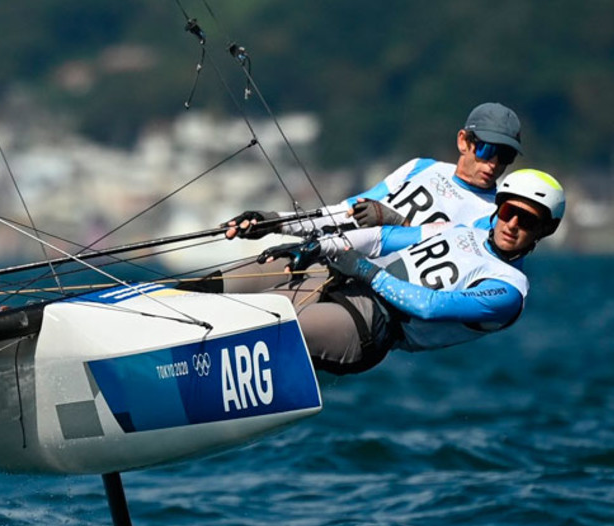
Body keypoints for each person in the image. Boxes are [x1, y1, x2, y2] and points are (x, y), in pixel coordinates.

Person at [248, 168, 565, 375]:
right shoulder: (460, 229)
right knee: (242, 304)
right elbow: (380, 238)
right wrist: (320, 246)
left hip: (372, 325)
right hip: (346, 284)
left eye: (527, 221)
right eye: (509, 212)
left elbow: (430, 307)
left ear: (544, 231)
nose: (512, 225)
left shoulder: (508, 290)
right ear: (498, 208)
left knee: (268, 325)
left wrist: (365, 271)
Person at [198, 102, 525, 294]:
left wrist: (397, 221)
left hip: (362, 287)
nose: (493, 163)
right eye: (486, 149)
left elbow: (449, 259)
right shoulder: (419, 168)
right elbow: (345, 212)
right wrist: (274, 222)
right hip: (319, 255)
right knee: (207, 289)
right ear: (464, 141)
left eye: (505, 156)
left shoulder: (494, 215)